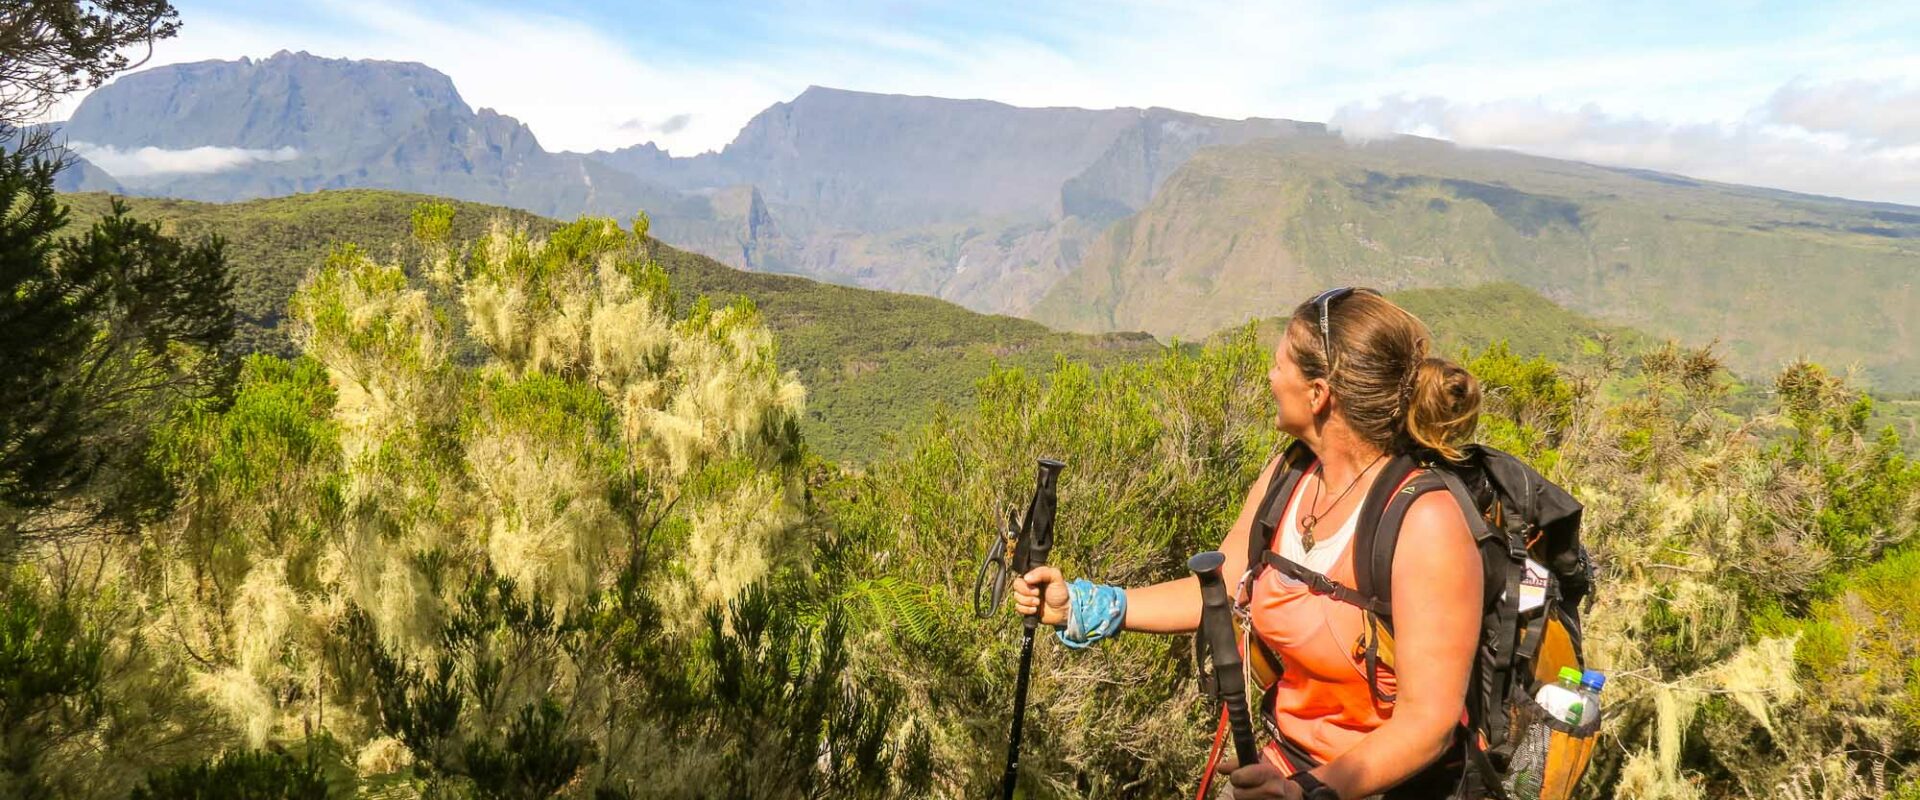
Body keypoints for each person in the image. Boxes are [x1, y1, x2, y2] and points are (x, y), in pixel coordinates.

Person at [1013, 287, 1486, 800]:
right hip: (1285, 770)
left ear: (1318, 394)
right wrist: (1084, 607)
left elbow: (1427, 724)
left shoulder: (1425, 523)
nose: (1269, 376)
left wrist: (1308, 793)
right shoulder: (1290, 477)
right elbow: (1219, 593)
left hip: (1388, 786)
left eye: (1281, 364)